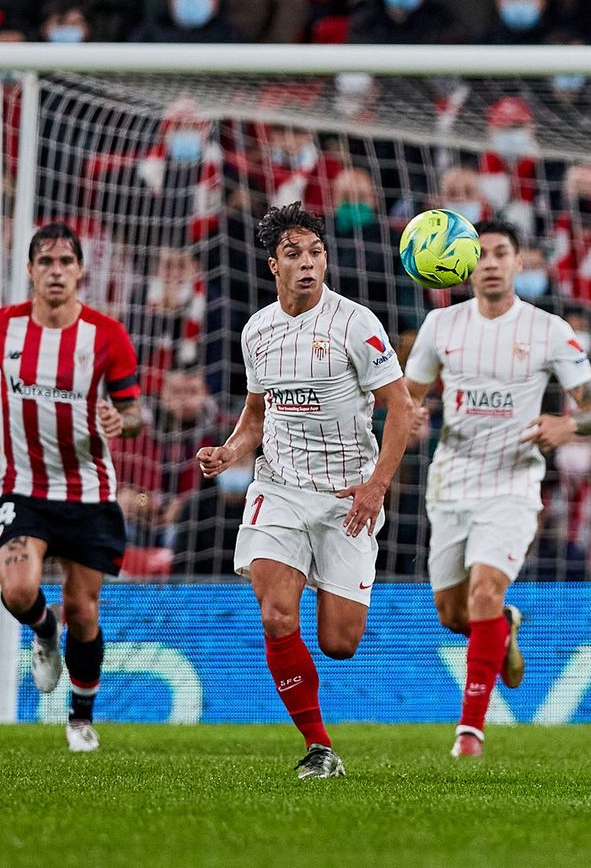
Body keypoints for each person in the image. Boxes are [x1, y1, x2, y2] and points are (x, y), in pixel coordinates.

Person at [195, 203, 418, 779]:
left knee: (340, 642)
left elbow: (402, 408)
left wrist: (376, 486)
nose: (308, 264)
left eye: (316, 252)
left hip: (349, 495)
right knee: (275, 615)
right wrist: (229, 450)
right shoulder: (257, 330)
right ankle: (320, 748)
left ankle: (327, 576)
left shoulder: (356, 324)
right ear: (274, 265)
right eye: (294, 254)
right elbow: (255, 414)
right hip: (282, 486)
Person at [404, 220, 591, 758]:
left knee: (485, 591)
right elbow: (407, 397)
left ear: (519, 263)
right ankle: (505, 628)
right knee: (454, 616)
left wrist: (567, 426)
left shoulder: (549, 329)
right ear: (467, 263)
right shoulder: (440, 326)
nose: (491, 262)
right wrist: (410, 414)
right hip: (451, 479)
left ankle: (469, 732)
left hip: (514, 481)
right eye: (483, 254)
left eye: (502, 253)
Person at [0, 222, 145, 753]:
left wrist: (118, 421)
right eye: (45, 262)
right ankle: (42, 629)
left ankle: (80, 719)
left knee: (85, 612)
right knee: (17, 592)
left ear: (80, 271)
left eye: (65, 262)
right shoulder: (1, 330)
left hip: (88, 494)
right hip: (24, 489)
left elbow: (136, 414)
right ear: (31, 270)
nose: (56, 271)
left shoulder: (106, 336)